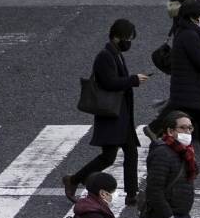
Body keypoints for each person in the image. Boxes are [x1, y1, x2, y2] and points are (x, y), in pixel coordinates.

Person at [62, 20, 149, 207]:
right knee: (108, 157)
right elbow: (109, 83)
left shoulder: (114, 54)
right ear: (116, 37)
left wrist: (132, 80)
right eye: (127, 39)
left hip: (121, 114)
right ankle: (74, 179)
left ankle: (131, 194)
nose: (129, 43)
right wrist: (133, 79)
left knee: (131, 152)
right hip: (111, 114)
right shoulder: (105, 56)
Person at [168, 1, 200, 173]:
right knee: (199, 126)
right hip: (191, 90)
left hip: (185, 89)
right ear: (193, 18)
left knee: (194, 126)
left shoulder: (183, 32)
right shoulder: (190, 34)